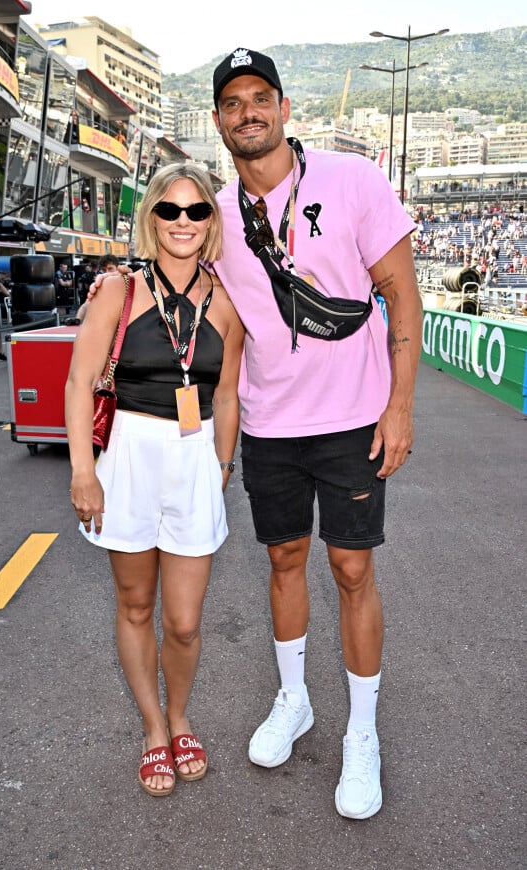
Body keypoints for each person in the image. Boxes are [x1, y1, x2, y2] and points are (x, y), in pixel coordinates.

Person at [210, 48, 422, 819]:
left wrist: (399, 407)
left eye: (260, 97)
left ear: (284, 107)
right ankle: (295, 699)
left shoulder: (354, 180)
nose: (248, 112)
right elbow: (175, 266)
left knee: (353, 569)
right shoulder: (218, 214)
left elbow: (403, 294)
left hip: (353, 419)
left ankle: (362, 734)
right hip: (270, 423)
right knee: (284, 557)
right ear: (218, 122)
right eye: (232, 103)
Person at [65, 163, 244, 797]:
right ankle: (152, 728)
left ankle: (180, 714)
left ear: (211, 222)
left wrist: (221, 468)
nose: (183, 223)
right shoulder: (119, 289)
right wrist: (84, 473)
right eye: (170, 211)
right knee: (136, 604)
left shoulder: (227, 299)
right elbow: (78, 382)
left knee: (186, 621)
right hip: (131, 457)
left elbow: (225, 396)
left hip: (194, 461)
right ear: (152, 220)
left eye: (197, 212)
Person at [75, 256, 118, 324]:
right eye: (104, 270)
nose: (107, 272)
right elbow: (85, 306)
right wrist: (77, 320)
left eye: (110, 268)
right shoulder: (99, 286)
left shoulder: (127, 282)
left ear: (117, 268)